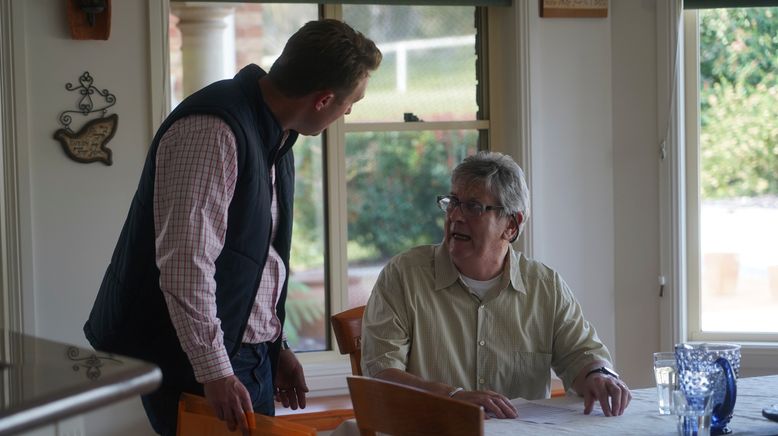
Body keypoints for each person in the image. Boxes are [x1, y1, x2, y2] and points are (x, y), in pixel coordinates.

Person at [84, 19, 381, 436]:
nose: (348, 112)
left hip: (246, 353)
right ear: (323, 99)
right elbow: (186, 266)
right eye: (351, 102)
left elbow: (256, 259)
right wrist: (216, 372)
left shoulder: (276, 133)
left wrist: (276, 347)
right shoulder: (213, 129)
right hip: (197, 360)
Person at [361, 151, 631, 419]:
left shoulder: (545, 287)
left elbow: (583, 355)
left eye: (473, 207)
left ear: (511, 226)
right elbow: (380, 374)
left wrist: (600, 375)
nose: (455, 215)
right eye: (453, 202)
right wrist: (453, 397)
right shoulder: (404, 276)